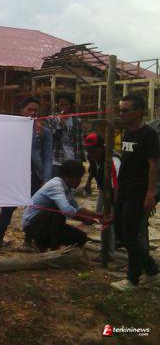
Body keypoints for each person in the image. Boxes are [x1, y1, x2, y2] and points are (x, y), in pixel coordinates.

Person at [111, 94, 160, 291]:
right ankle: (152, 270)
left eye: (125, 110)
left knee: (130, 233)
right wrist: (118, 188)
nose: (121, 114)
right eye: (120, 110)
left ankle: (133, 278)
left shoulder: (149, 135)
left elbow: (153, 165)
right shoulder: (127, 133)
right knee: (121, 232)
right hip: (124, 189)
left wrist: (150, 194)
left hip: (138, 191)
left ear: (138, 112)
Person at [0, 97, 53, 248]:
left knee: (32, 208)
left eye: (35, 110)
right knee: (8, 206)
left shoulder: (44, 132)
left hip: (35, 174)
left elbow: (47, 158)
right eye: (29, 109)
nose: (32, 113)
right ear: (21, 110)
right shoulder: (12, 129)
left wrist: (46, 179)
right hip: (15, 174)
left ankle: (28, 241)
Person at [22, 160, 102, 251]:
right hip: (32, 225)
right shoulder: (56, 186)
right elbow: (66, 210)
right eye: (77, 178)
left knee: (81, 238)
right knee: (58, 209)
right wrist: (83, 219)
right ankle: (54, 247)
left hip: (45, 224)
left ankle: (43, 244)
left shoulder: (67, 188)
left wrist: (97, 215)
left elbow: (76, 208)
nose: (79, 181)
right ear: (67, 177)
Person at [83, 133, 121, 260]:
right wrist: (88, 182)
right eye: (88, 151)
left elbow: (117, 185)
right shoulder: (92, 155)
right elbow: (93, 168)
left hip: (114, 191)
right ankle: (111, 243)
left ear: (101, 148)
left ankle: (107, 253)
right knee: (100, 214)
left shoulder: (113, 160)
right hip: (103, 188)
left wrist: (115, 205)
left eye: (93, 151)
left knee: (107, 218)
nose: (91, 154)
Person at [48, 93, 85, 177]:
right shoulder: (51, 119)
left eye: (66, 105)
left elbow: (80, 142)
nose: (64, 107)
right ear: (57, 105)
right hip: (57, 160)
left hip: (72, 159)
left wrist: (80, 161)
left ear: (70, 105)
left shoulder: (77, 120)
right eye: (61, 105)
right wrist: (60, 125)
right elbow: (52, 138)